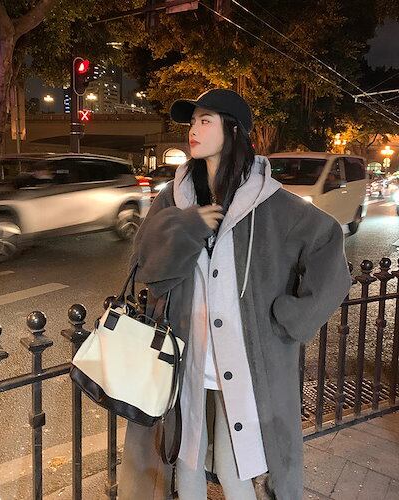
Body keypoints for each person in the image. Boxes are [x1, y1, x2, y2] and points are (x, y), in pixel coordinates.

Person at [118, 88, 352, 500]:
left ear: (234, 131)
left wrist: (291, 319)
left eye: (205, 121)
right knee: (186, 461)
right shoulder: (174, 197)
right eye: (192, 122)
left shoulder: (272, 203)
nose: (193, 130)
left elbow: (328, 246)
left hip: (245, 363)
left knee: (233, 467)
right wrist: (187, 226)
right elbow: (145, 265)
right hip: (185, 358)